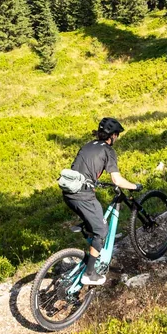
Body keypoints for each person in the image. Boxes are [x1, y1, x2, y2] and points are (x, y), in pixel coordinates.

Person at [62, 117, 141, 286]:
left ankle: (90, 236)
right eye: (117, 135)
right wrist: (134, 186)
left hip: (68, 193)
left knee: (95, 222)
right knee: (102, 230)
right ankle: (90, 274)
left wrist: (94, 182)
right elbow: (117, 180)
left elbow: (80, 170)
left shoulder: (88, 145)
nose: (117, 138)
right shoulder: (108, 151)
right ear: (112, 135)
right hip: (82, 196)